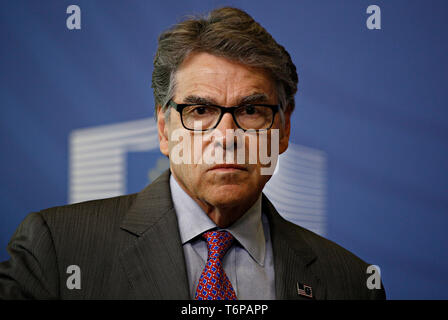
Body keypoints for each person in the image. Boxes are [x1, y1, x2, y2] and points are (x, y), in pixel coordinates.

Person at [0, 7, 385, 300]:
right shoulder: (56, 250)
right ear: (164, 129)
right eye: (200, 111)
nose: (226, 136)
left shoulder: (351, 282)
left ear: (283, 129)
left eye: (251, 111)